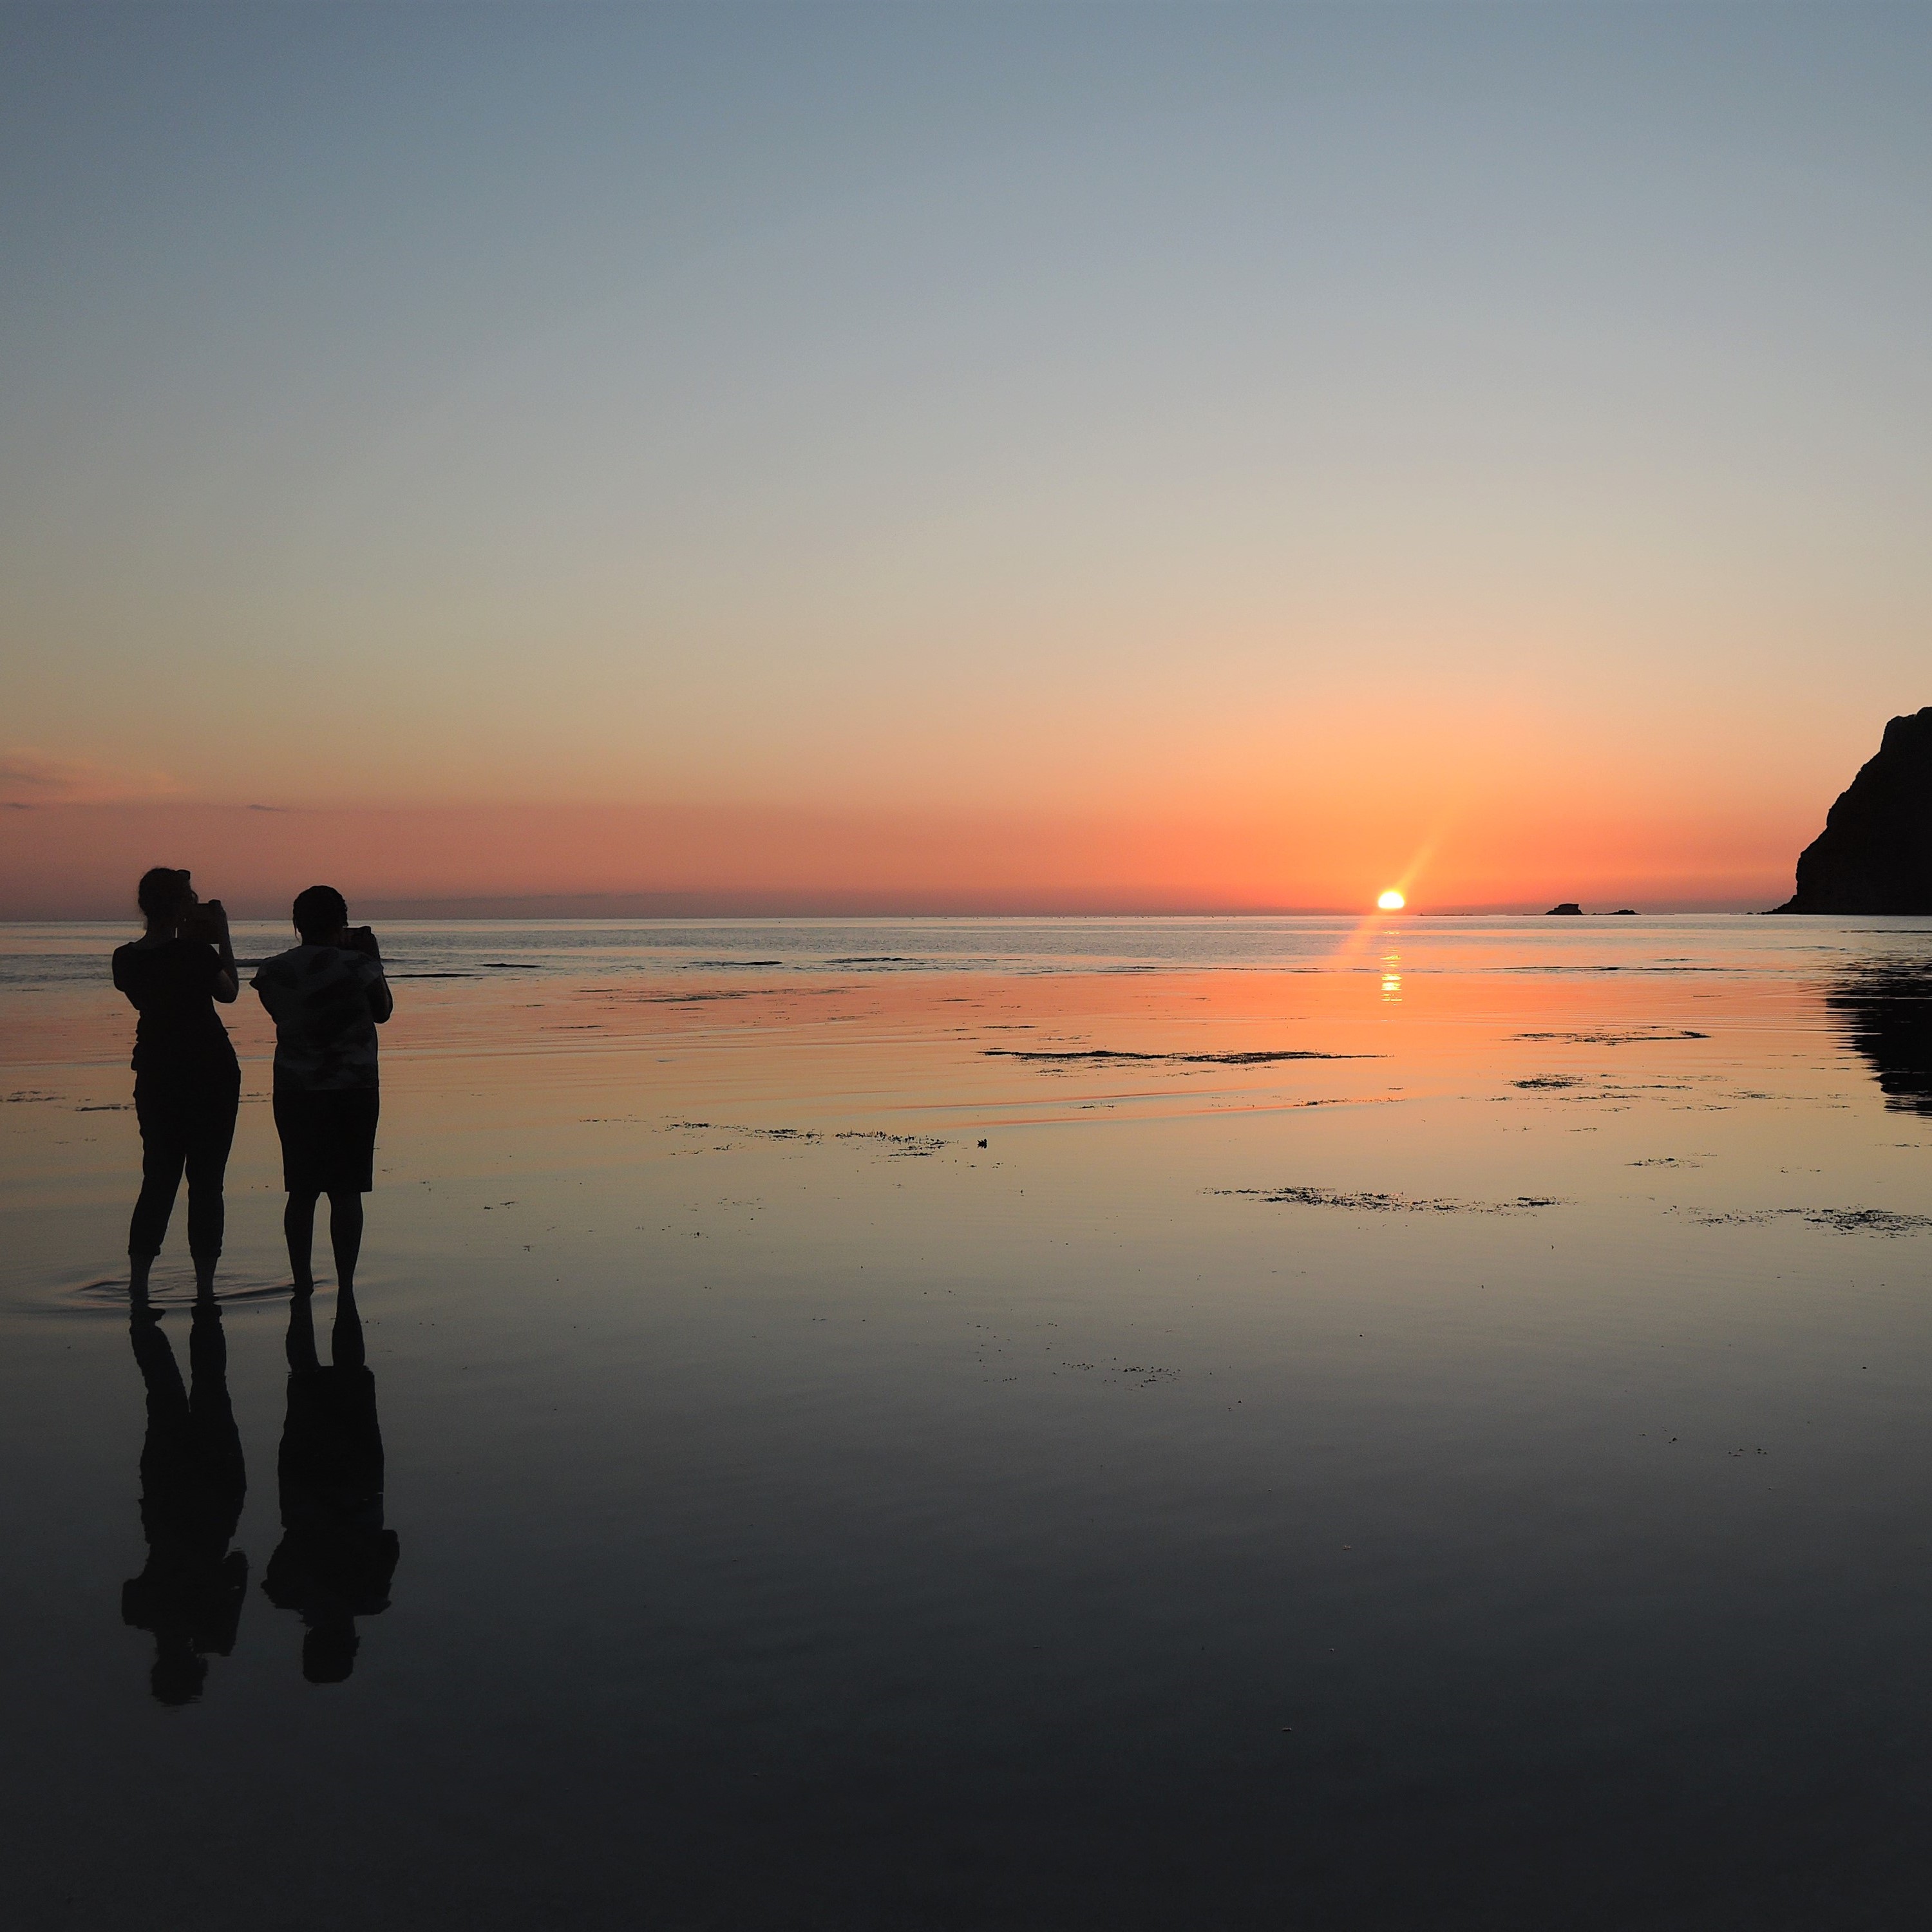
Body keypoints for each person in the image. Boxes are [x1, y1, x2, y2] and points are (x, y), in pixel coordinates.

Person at [252, 886, 393, 1294]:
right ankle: (345, 1282)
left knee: (301, 1190)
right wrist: (372, 957)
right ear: (342, 922)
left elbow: (282, 1014)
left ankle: (303, 1280)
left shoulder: (272, 971)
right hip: (354, 1087)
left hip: (297, 1088)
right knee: (347, 1191)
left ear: (297, 925)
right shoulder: (360, 966)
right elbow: (383, 1012)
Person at [111, 867, 241, 1300]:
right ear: (178, 905)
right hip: (210, 1072)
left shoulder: (125, 959)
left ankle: (139, 1283)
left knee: (159, 1179)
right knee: (207, 1183)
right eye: (188, 896)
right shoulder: (198, 954)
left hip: (157, 1072)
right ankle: (205, 1286)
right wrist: (222, 937)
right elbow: (229, 992)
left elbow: (148, 994)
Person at [261, 1279, 399, 1683]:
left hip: (353, 1490)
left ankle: (316, 1290)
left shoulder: (369, 1596)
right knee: (310, 1378)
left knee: (340, 1378)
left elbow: (390, 1542)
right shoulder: (286, 1593)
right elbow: (389, 1542)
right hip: (310, 1493)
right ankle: (336, 1289)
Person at [120, 1296, 249, 1705]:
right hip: (169, 1497)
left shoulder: (212, 1627)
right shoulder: (139, 1613)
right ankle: (145, 1321)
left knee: (208, 1384)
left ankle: (201, 1311)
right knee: (165, 1393)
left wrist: (223, 1625)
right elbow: (239, 1564)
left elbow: (239, 1564)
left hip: (215, 1501)